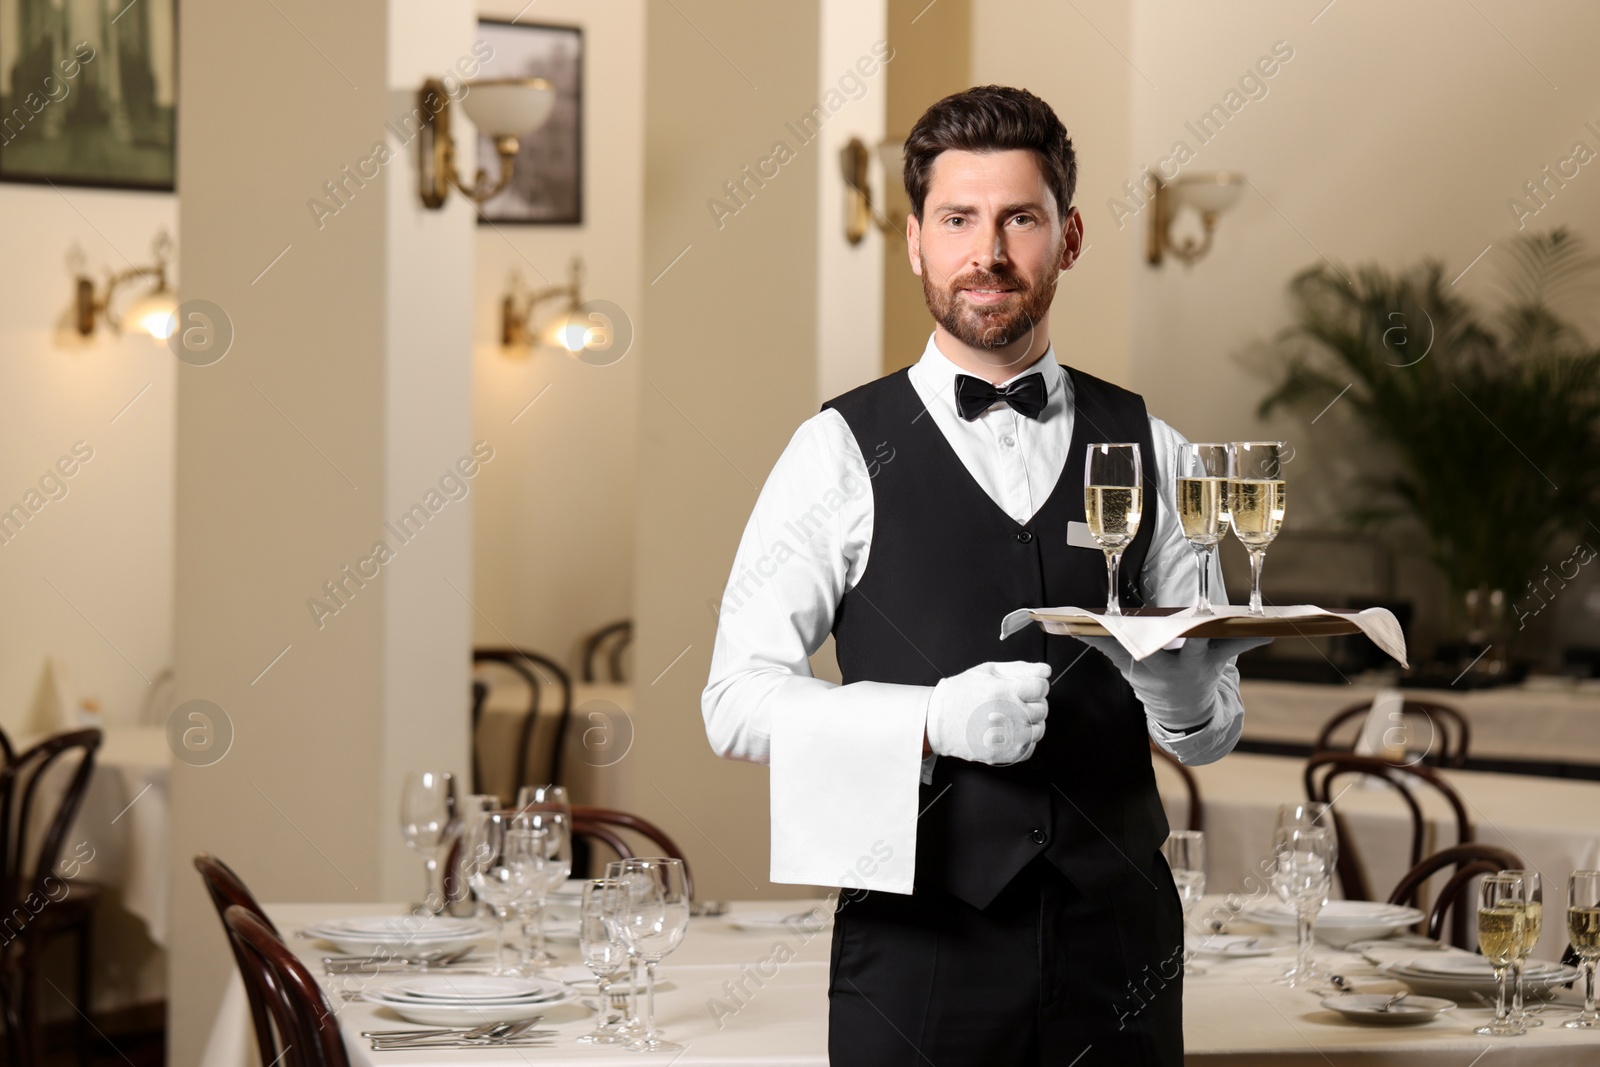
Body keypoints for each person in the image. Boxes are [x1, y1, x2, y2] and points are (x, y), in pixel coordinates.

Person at [701, 85, 1265, 1066]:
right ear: (914, 238)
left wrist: (1183, 698)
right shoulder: (836, 451)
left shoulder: (1153, 444)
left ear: (1069, 236)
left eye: (1019, 219)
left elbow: (1211, 730)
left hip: (1119, 953)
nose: (988, 253)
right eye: (957, 219)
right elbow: (733, 702)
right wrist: (927, 718)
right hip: (919, 956)